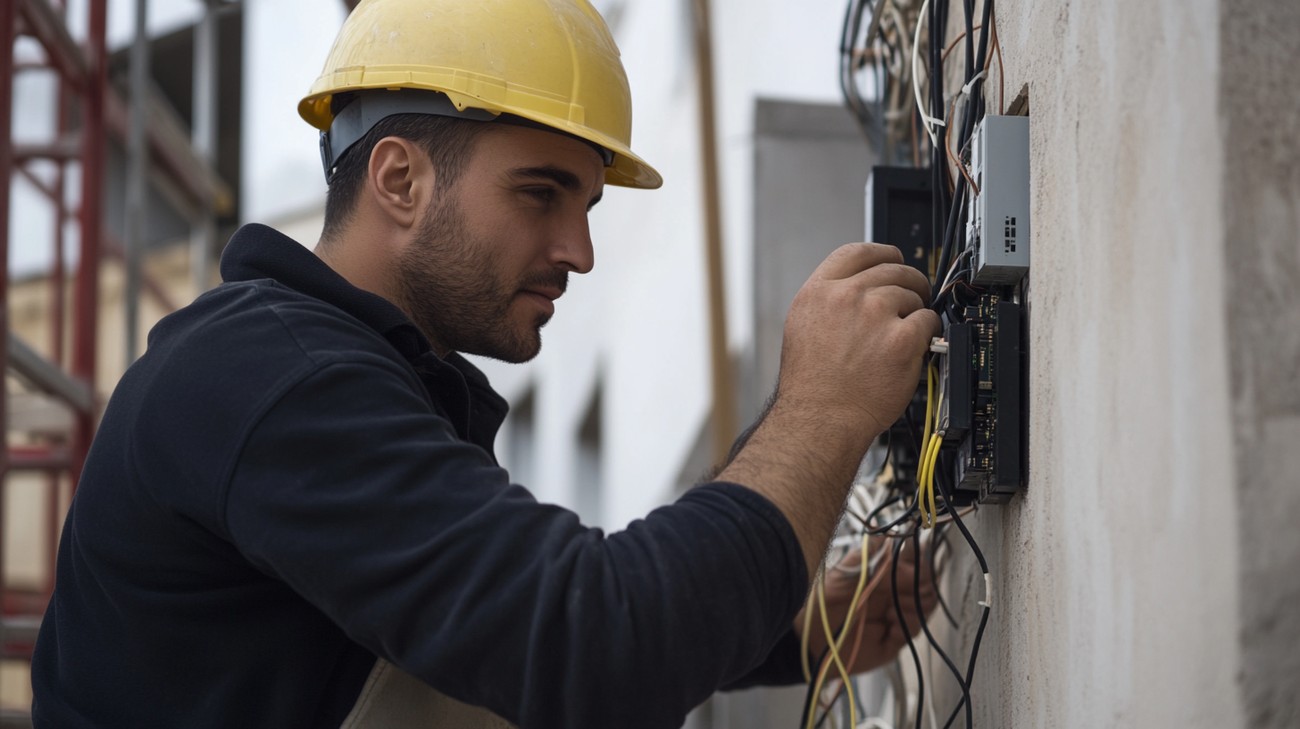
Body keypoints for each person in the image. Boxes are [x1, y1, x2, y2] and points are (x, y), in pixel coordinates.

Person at [30, 0, 940, 727]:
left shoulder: (348, 378)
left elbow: (497, 642)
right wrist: (820, 409)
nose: (579, 249)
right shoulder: (278, 378)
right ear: (399, 180)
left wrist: (789, 632)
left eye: (585, 204)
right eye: (541, 192)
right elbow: (595, 650)